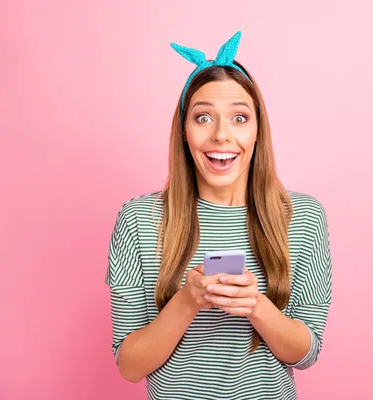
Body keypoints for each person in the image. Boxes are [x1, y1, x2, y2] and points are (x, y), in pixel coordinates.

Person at [105, 31, 333, 400]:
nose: (222, 135)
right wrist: (188, 300)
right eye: (203, 117)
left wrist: (256, 306)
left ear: (259, 130)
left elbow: (306, 353)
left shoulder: (303, 217)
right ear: (183, 130)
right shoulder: (139, 219)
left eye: (240, 118)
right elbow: (130, 366)